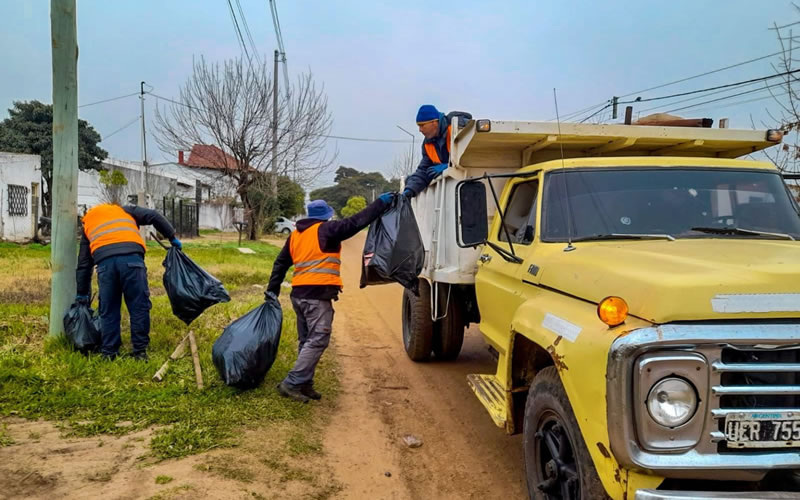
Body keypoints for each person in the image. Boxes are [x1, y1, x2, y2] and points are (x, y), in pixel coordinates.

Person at [266, 193, 395, 402]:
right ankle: (291, 383)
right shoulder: (326, 230)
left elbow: (280, 264)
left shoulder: (296, 235)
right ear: (325, 216)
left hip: (299, 295)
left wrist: (272, 290)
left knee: (306, 340)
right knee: (318, 339)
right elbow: (355, 222)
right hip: (316, 297)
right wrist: (381, 203)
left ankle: (305, 383)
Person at [75, 203, 180, 361]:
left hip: (105, 265)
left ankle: (109, 352)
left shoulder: (88, 223)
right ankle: (140, 352)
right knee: (139, 306)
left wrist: (82, 293)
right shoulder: (124, 210)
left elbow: (84, 263)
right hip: (132, 261)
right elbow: (154, 216)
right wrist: (171, 237)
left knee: (108, 309)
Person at [402, 104, 472, 198]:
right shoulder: (427, 144)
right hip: (451, 191)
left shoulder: (458, 128)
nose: (420, 130)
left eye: (422, 125)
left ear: (434, 122)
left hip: (470, 185)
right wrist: (409, 189)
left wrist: (448, 166)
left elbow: (472, 155)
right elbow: (424, 171)